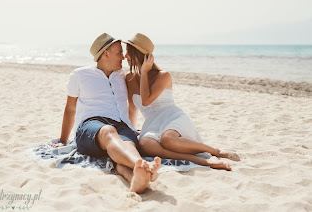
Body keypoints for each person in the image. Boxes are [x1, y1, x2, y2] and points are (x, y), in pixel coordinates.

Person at [51, 33, 161, 193]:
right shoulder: (80, 75)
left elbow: (132, 107)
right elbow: (70, 109)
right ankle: (144, 165)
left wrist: (131, 128)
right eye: (119, 53)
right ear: (105, 54)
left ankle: (136, 179)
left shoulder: (123, 76)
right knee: (109, 132)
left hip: (121, 126)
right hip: (91, 126)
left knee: (127, 145)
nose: (123, 57)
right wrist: (63, 139)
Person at [124, 33, 240, 171]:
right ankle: (197, 160)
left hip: (173, 117)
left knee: (167, 139)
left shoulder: (163, 76)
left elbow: (146, 100)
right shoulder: (129, 78)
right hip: (152, 124)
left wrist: (143, 72)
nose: (125, 56)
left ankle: (216, 151)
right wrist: (130, 132)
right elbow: (132, 110)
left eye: (128, 52)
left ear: (139, 54)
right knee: (145, 145)